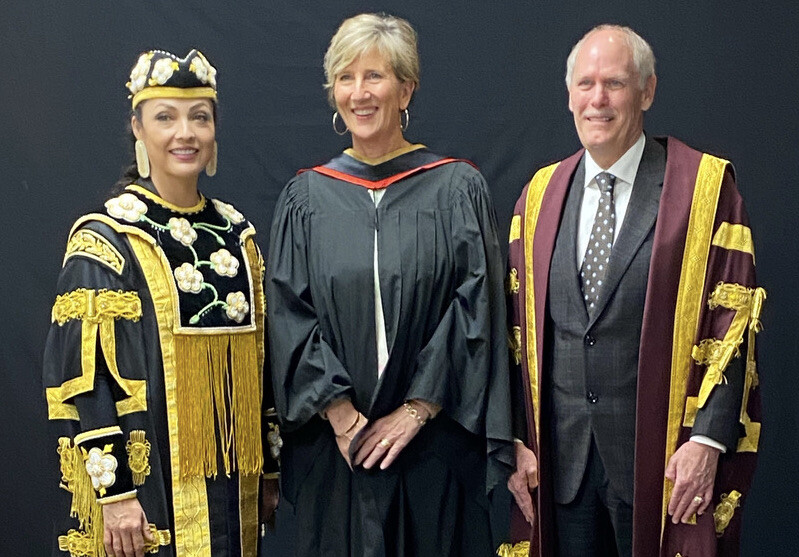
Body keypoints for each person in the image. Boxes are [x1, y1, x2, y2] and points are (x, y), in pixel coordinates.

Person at [502, 25, 765, 557]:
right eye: (586, 84)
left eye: (615, 84)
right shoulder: (539, 195)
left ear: (646, 92)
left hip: (661, 460)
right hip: (560, 464)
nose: (597, 100)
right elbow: (513, 331)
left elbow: (733, 321)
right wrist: (514, 440)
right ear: (570, 94)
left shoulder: (702, 188)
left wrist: (707, 441)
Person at [266, 12, 513, 556]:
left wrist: (416, 409)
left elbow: (476, 308)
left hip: (434, 446)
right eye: (346, 78)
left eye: (374, 76)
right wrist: (342, 416)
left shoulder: (455, 187)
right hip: (340, 453)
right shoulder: (306, 198)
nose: (359, 93)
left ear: (406, 89)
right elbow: (287, 312)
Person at [43, 49, 280, 557]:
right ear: (138, 127)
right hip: (145, 493)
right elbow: (81, 378)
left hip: (233, 491)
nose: (185, 134)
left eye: (200, 117)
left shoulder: (239, 237)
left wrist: (269, 469)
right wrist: (115, 494)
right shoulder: (107, 239)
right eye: (165, 117)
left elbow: (263, 368)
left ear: (215, 129)